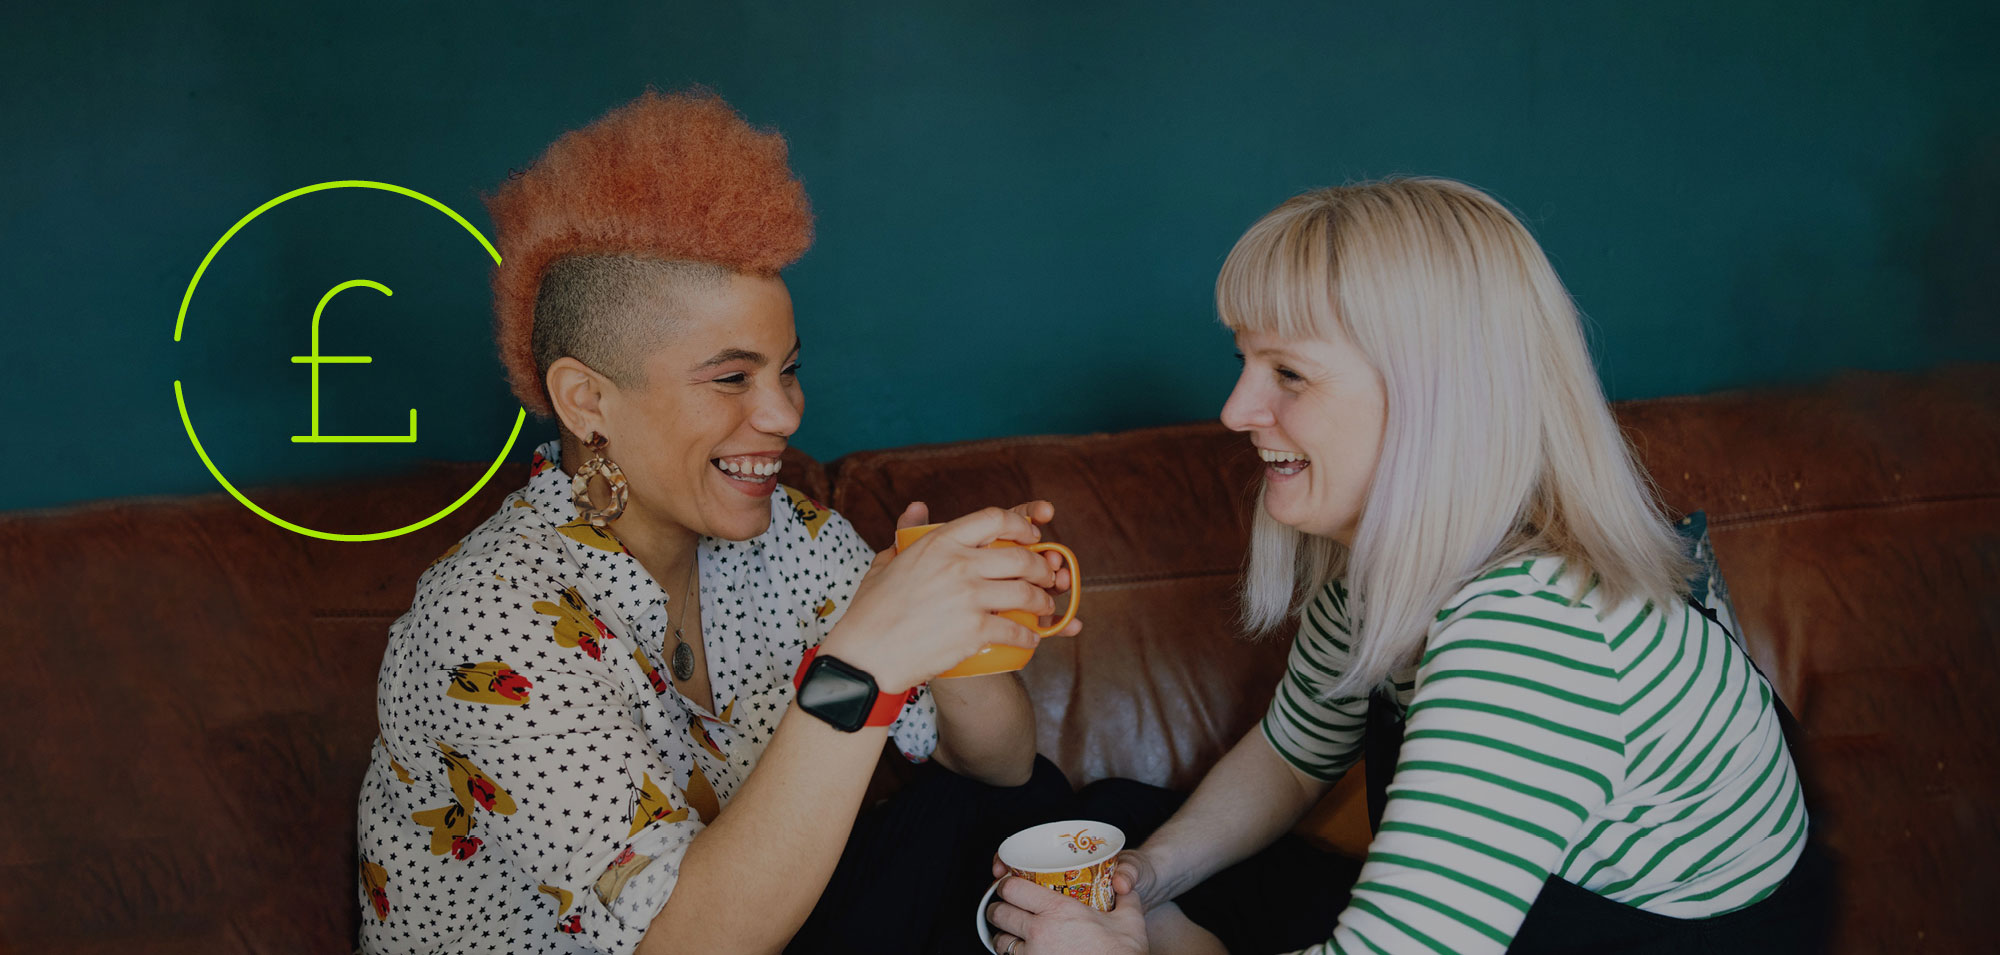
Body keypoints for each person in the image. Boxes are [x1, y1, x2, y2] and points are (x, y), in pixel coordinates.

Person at [985, 178, 1829, 955]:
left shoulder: (1531, 629)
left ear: (1435, 398)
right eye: (1243, 361)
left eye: (1288, 372)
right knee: (1115, 820)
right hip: (1511, 914)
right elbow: (1293, 750)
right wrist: (1154, 872)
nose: (1237, 410)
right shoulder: (1383, 566)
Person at [355, 89, 1079, 955]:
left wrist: (950, 620)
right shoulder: (486, 625)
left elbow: (1000, 767)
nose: (783, 413)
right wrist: (866, 661)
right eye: (732, 378)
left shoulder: (792, 540)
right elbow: (686, 944)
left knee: (1025, 822)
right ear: (587, 400)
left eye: (788, 370)